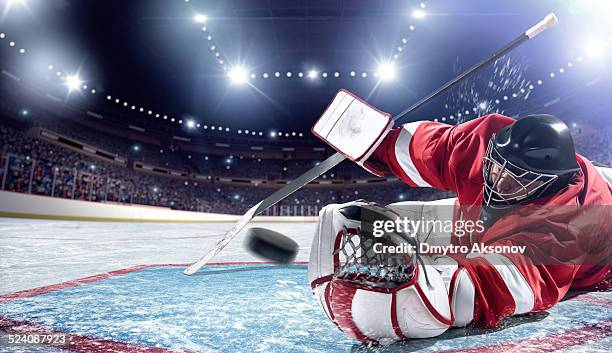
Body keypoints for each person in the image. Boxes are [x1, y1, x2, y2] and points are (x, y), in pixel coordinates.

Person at [307, 90, 612, 344]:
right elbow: (427, 148)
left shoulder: (568, 227)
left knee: (464, 279)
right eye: (497, 166)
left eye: (520, 178)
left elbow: (496, 287)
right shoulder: (480, 143)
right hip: (537, 210)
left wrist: (435, 295)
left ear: (550, 182)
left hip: (600, 244)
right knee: (376, 220)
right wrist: (376, 142)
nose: (501, 181)